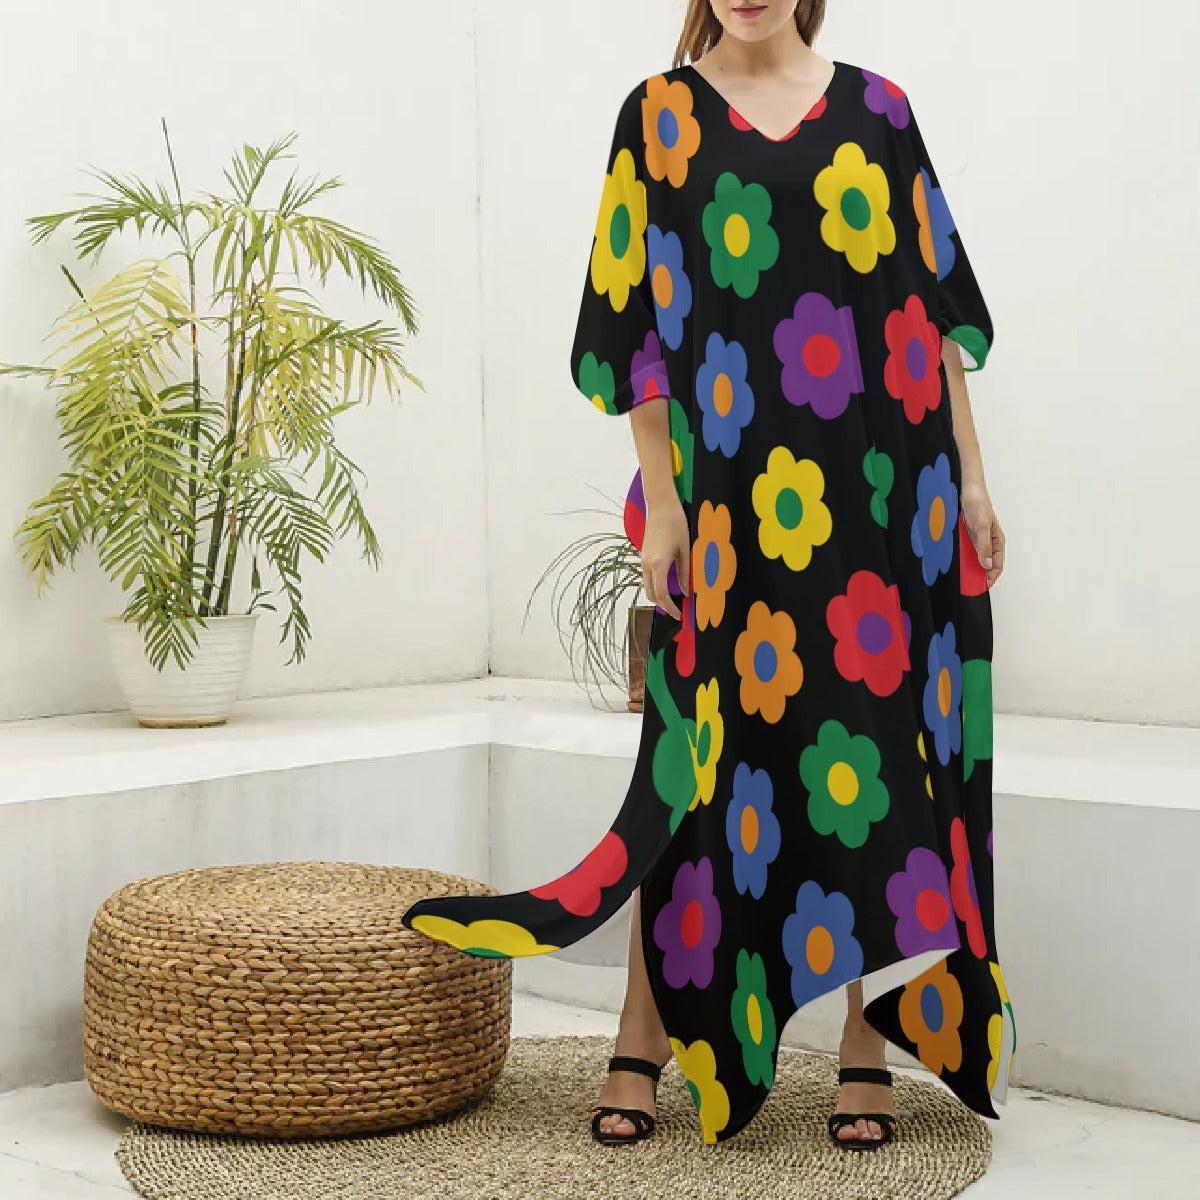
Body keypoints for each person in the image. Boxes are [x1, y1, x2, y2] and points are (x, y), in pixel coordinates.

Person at [402, 0, 1016, 1151]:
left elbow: (933, 311)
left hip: (881, 495)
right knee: (694, 769)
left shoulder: (879, 113)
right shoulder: (659, 118)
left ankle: (865, 1045)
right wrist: (666, 500)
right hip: (728, 503)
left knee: (877, 756)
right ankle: (644, 1035)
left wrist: (972, 479)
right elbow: (632, 326)